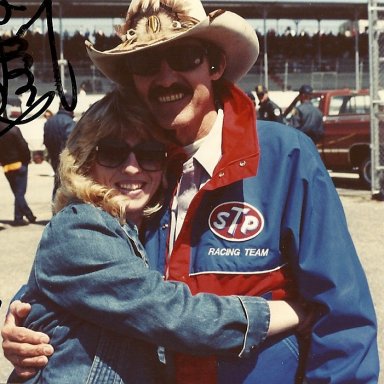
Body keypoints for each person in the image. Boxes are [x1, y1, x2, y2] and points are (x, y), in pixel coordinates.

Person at [3, 0, 379, 382]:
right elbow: (94, 270)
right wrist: (24, 318)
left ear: (214, 65)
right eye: (147, 64)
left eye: (183, 56)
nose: (166, 78)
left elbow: (342, 319)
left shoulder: (286, 156)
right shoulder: (140, 173)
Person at [6, 89, 306, 383]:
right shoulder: (79, 227)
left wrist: (21, 311)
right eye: (113, 152)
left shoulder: (137, 227)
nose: (133, 167)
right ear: (86, 162)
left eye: (150, 154)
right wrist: (291, 312)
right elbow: (173, 315)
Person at [0, 121, 36, 226]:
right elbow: (23, 146)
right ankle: (23, 217)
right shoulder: (13, 129)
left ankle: (22, 217)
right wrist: (27, 160)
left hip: (6, 166)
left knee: (17, 193)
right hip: (19, 164)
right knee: (19, 193)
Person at [43, 98, 76, 199]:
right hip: (66, 160)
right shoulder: (70, 122)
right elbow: (71, 144)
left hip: (53, 157)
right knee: (67, 185)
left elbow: (46, 140)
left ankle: (55, 206)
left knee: (57, 183)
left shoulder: (49, 122)